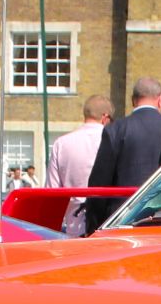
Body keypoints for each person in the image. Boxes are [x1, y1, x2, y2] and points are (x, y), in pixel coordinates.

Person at [82, 77, 161, 233]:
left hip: (121, 221)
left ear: (133, 100)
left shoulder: (115, 130)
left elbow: (99, 184)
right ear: (160, 100)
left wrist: (92, 227)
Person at [47, 95, 113, 235]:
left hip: (74, 228)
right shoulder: (114, 140)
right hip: (107, 226)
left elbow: (51, 193)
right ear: (105, 117)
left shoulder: (62, 143)